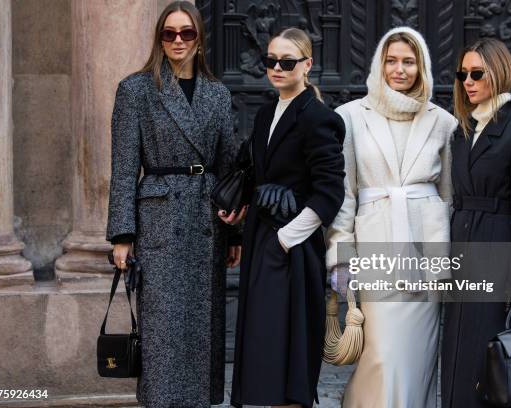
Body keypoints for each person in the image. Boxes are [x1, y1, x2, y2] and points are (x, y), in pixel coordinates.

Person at [105, 2, 242, 406]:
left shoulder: (217, 94)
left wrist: (234, 230)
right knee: (162, 327)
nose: (178, 41)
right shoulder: (136, 89)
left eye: (186, 33)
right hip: (159, 220)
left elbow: (229, 166)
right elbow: (125, 166)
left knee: (201, 326)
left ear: (199, 39)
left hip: (206, 219)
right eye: (169, 33)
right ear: (159, 39)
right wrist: (122, 235)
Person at [326, 26, 457, 407]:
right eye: (392, 61)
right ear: (379, 64)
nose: (400, 69)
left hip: (425, 254)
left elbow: (449, 195)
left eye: (409, 62)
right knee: (381, 355)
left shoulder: (443, 122)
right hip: (374, 251)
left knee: (417, 360)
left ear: (422, 68)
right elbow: (345, 194)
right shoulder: (349, 117)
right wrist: (340, 255)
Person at [220, 27, 345, 408]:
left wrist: (286, 238)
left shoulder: (319, 118)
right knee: (265, 344)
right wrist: (238, 212)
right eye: (270, 60)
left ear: (307, 65)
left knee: (289, 352)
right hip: (262, 239)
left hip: (293, 248)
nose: (276, 67)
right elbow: (256, 171)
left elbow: (330, 193)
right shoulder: (265, 114)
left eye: (286, 62)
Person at [441, 37, 511, 408]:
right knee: (455, 357)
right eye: (462, 74)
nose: (467, 81)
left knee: (484, 366)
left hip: (496, 253)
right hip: (462, 252)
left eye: (476, 74)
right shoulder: (462, 132)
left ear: (498, 73)